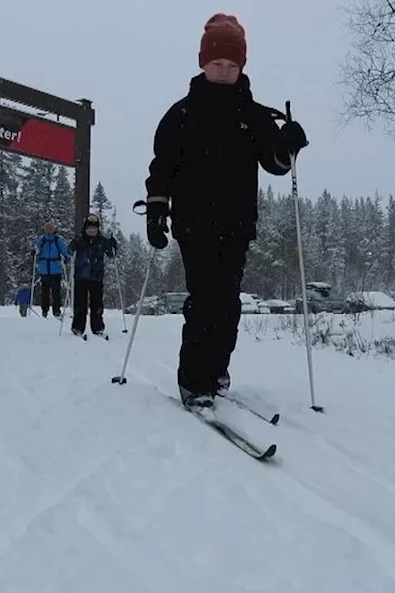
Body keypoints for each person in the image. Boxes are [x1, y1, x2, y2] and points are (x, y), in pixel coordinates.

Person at [142, 13, 308, 409]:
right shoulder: (181, 115)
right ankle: (193, 379)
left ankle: (217, 371)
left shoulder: (253, 115)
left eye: (231, 65)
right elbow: (161, 168)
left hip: (236, 223)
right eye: (217, 63)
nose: (223, 71)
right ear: (203, 63)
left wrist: (290, 145)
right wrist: (155, 212)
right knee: (203, 300)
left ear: (241, 68)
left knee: (228, 303)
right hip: (193, 223)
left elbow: (275, 163)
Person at [68, 212, 118, 337]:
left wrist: (113, 245)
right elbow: (69, 251)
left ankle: (98, 328)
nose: (92, 230)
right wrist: (72, 245)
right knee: (80, 304)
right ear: (85, 228)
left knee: (97, 304)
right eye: (89, 228)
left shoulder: (102, 241)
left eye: (94, 228)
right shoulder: (80, 240)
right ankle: (78, 328)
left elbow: (111, 255)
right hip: (81, 277)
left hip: (96, 277)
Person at [34, 222, 71, 317]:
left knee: (56, 292)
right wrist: (34, 252)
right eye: (47, 229)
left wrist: (67, 257)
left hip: (55, 269)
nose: (49, 231)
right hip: (44, 269)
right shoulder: (41, 240)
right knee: (45, 292)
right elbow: (37, 249)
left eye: (51, 229)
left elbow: (64, 250)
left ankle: (56, 311)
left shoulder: (58, 240)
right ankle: (45, 310)